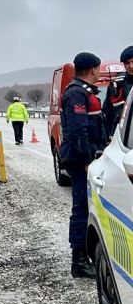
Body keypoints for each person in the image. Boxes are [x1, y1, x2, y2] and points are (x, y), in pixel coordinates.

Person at [60, 52, 106, 279]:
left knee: (87, 207)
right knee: (81, 208)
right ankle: (78, 260)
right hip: (80, 161)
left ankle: (84, 255)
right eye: (98, 69)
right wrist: (87, 160)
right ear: (93, 70)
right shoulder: (77, 93)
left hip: (85, 157)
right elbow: (79, 130)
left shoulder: (82, 91)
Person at [102, 45, 133, 137]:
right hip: (121, 134)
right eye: (127, 63)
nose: (131, 66)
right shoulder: (116, 85)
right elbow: (107, 111)